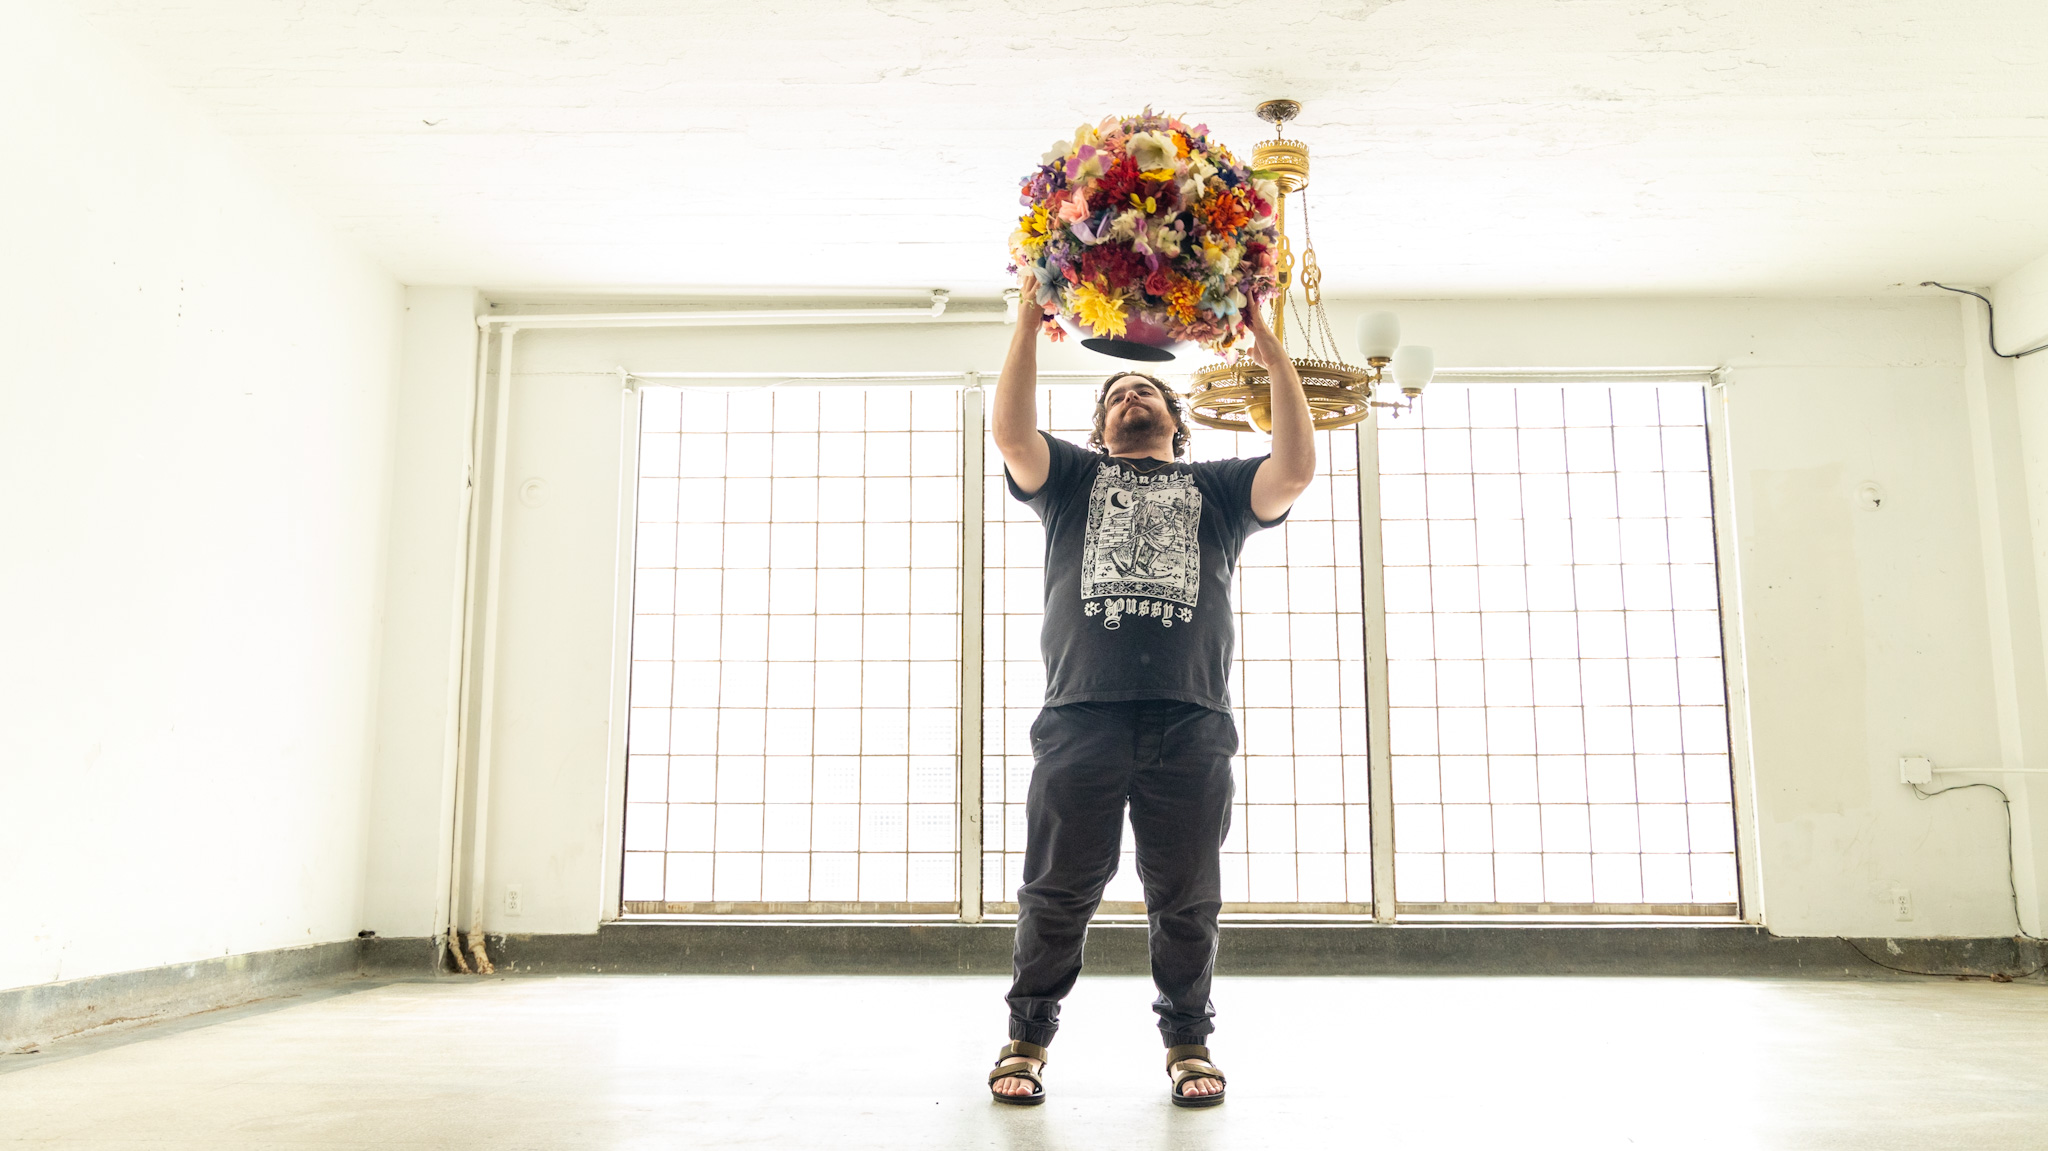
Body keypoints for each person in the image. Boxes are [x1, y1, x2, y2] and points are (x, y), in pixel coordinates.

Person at [985, 277, 1315, 1108]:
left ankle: (1188, 1042)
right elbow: (1011, 432)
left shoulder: (1217, 491)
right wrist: (1028, 321)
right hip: (1079, 716)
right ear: (1100, 429)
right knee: (1058, 888)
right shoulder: (1070, 479)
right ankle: (1026, 1037)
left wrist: (1268, 343)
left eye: (1147, 390)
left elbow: (1297, 468)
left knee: (1186, 894)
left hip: (1192, 722)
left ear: (1176, 419)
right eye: (1118, 393)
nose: (1132, 394)